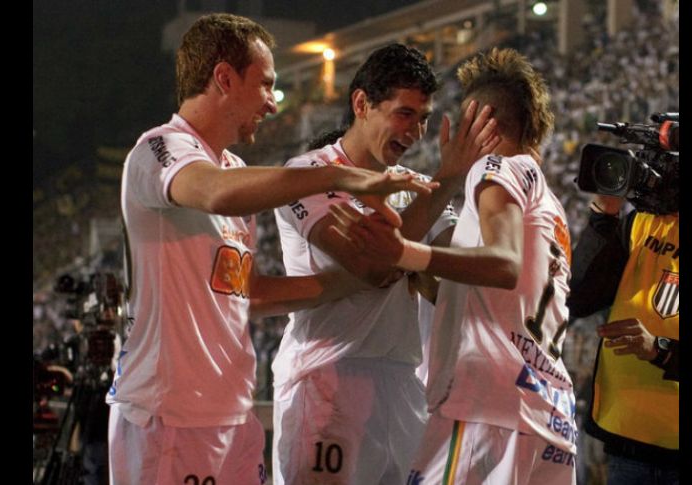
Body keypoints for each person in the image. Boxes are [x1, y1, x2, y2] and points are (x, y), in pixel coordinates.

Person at [104, 14, 436, 485]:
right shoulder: (160, 148)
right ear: (223, 78)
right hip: (168, 411)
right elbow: (213, 191)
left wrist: (362, 277)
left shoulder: (237, 168)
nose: (273, 104)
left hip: (232, 411)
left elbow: (253, 295)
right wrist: (337, 173)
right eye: (265, 85)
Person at [331, 47, 577, 484]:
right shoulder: (552, 208)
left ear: (482, 123)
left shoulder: (494, 167)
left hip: (487, 407)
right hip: (549, 415)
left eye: (464, 122)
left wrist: (403, 253)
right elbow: (489, 289)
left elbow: (503, 265)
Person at [271, 43, 499, 485]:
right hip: (326, 378)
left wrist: (490, 192)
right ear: (361, 104)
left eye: (425, 118)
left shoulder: (412, 187)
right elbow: (370, 265)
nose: (416, 132)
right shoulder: (309, 173)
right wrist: (447, 180)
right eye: (405, 113)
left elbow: (455, 270)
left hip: (401, 382)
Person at [567, 192, 679, 484]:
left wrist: (660, 350)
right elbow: (579, 300)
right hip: (627, 439)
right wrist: (603, 218)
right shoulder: (642, 223)